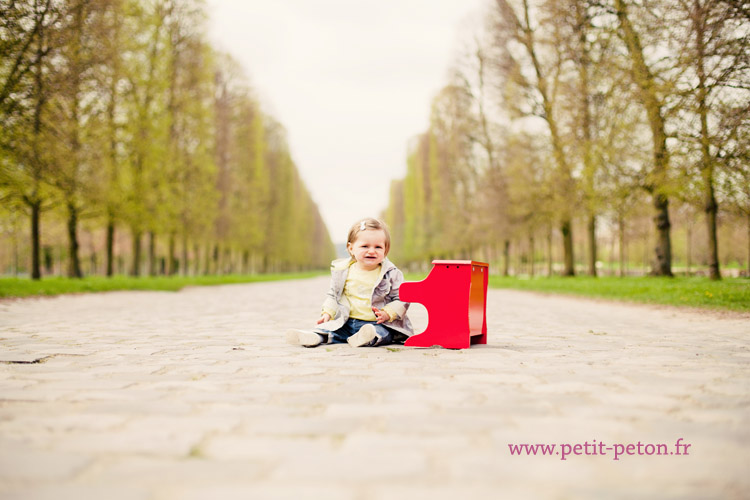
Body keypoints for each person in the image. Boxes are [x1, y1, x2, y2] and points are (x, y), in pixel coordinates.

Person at [285, 217, 413, 348]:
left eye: (378, 247)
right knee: (332, 329)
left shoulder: (391, 273)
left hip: (378, 323)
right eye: (365, 246)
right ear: (351, 248)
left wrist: (388, 313)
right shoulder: (343, 272)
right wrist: (327, 313)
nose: (372, 251)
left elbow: (403, 298)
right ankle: (315, 336)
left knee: (382, 333)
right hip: (346, 322)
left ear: (385, 250)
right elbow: (334, 295)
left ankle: (365, 337)